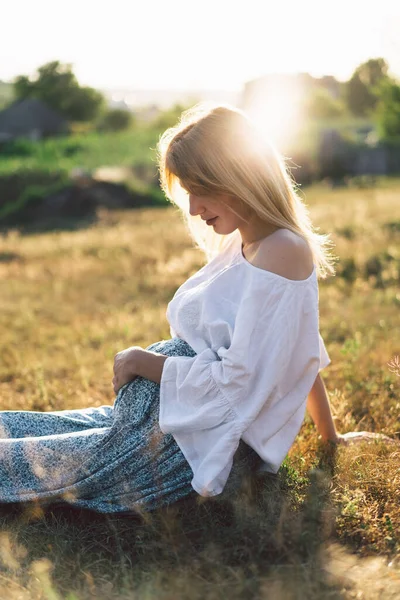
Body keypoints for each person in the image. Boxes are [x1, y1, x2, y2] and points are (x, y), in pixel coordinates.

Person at [0, 104, 391, 514]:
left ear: (234, 176)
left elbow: (241, 380)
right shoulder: (240, 242)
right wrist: (331, 437)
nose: (192, 209)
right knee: (16, 426)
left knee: (21, 463)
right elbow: (298, 344)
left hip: (196, 443)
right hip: (171, 418)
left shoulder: (282, 250)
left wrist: (141, 362)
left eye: (197, 191)